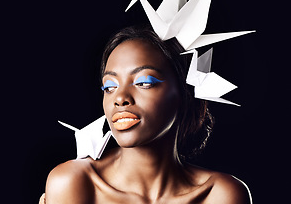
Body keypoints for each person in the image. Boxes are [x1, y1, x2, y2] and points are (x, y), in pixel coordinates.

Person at [39, 26, 252, 204]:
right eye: (109, 87)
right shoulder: (73, 182)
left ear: (185, 94)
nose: (120, 98)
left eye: (144, 82)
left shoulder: (221, 195)